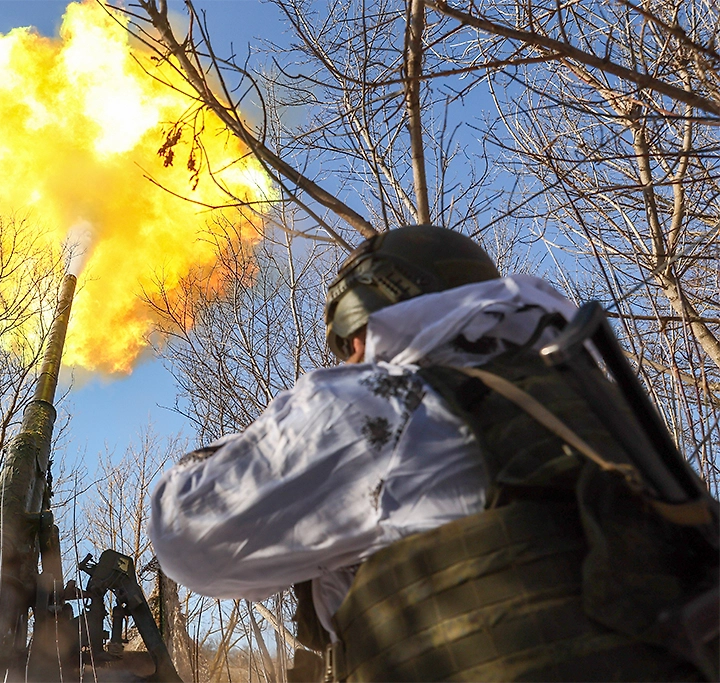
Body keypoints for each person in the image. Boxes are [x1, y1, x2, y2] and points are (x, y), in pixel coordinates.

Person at [149, 225, 715, 681]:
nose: (352, 358)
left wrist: (256, 439)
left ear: (368, 320)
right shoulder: (589, 410)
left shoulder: (387, 401)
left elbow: (185, 531)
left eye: (351, 345)